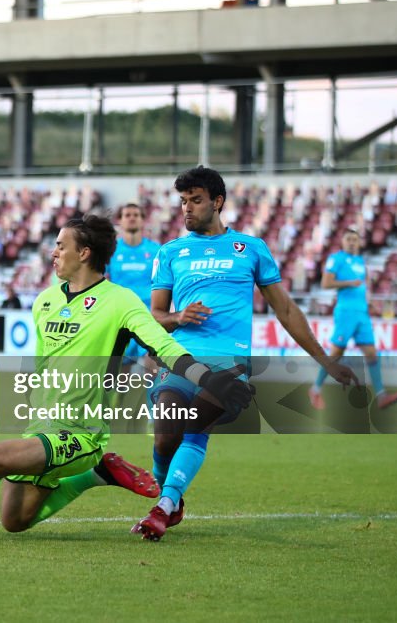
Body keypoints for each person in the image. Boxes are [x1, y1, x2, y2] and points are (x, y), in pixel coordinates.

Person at [0, 215, 254, 542]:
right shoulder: (46, 300)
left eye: (60, 246)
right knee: (14, 520)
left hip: (81, 434)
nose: (53, 253)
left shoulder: (120, 302)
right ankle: (96, 475)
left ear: (84, 253)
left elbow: (165, 346)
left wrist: (211, 380)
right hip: (40, 425)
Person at [132, 166, 357, 542]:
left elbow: (285, 310)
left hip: (230, 365)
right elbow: (154, 316)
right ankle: (169, 495)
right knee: (164, 438)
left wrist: (325, 360)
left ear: (218, 202)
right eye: (183, 201)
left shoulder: (250, 249)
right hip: (180, 360)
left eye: (196, 201)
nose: (186, 209)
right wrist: (177, 316)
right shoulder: (171, 252)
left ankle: (163, 507)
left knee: (195, 424)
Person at [308, 227, 397, 410]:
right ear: (342, 242)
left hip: (362, 314)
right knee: (335, 354)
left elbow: (363, 288)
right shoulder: (336, 259)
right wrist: (348, 283)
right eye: (348, 239)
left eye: (355, 239)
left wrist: (372, 305)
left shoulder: (360, 262)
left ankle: (381, 396)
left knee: (372, 353)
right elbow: (326, 283)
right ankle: (315, 389)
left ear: (359, 242)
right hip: (346, 313)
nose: (352, 242)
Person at [107, 203, 160, 367]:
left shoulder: (156, 250)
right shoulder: (111, 250)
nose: (132, 218)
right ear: (120, 221)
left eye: (136, 215)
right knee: (120, 378)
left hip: (148, 317)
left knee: (153, 368)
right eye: (127, 215)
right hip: (121, 318)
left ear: (143, 220)